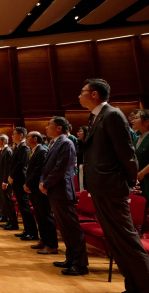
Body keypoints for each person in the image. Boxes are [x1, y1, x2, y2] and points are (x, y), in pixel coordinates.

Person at [80, 78, 149, 291]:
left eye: (82, 91)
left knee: (126, 241)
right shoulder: (96, 116)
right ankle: (133, 286)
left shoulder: (112, 114)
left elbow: (127, 153)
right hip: (101, 187)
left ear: (94, 94)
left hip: (112, 187)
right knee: (116, 241)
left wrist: (130, 182)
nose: (79, 96)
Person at [40, 116, 88, 276]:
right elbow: (46, 167)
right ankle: (70, 258)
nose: (46, 128)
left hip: (61, 190)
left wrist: (45, 184)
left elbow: (61, 168)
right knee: (65, 228)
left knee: (71, 228)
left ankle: (80, 264)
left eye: (49, 125)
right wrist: (42, 182)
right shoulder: (55, 143)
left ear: (59, 128)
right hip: (55, 189)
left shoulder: (66, 143)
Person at [24, 131, 58, 254]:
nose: (25, 139)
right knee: (39, 216)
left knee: (46, 216)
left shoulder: (42, 151)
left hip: (39, 189)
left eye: (27, 137)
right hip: (33, 189)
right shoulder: (33, 151)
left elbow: (39, 171)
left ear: (34, 139)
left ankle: (52, 244)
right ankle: (43, 240)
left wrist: (28, 184)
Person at [9, 127, 37, 240]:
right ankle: (26, 230)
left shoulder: (24, 147)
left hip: (20, 180)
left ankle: (32, 232)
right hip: (17, 181)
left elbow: (21, 164)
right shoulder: (19, 147)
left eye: (14, 134)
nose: (12, 136)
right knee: (22, 207)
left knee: (25, 207)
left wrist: (11, 176)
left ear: (20, 135)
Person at [134, 110, 149, 221]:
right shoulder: (137, 138)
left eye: (137, 118)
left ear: (147, 122)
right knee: (142, 211)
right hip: (139, 179)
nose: (133, 120)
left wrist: (142, 173)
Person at [0, 134, 18, 230]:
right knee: (5, 202)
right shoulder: (4, 151)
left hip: (5, 182)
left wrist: (5, 181)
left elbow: (7, 168)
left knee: (8, 202)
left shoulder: (7, 151)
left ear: (3, 141)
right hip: (2, 181)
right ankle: (10, 221)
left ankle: (13, 223)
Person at [76, 126, 88, 191]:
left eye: (80, 131)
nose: (78, 133)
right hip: (80, 169)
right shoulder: (80, 145)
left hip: (88, 170)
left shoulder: (90, 145)